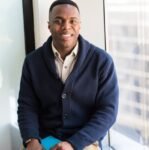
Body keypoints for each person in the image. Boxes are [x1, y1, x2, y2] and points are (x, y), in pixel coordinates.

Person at [17, 0, 119, 150]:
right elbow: (27, 106)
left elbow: (108, 111)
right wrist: (31, 139)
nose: (66, 27)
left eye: (73, 21)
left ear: (80, 25)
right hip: (43, 138)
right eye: (58, 21)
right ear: (49, 26)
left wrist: (73, 143)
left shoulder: (102, 61)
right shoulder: (32, 62)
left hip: (85, 140)